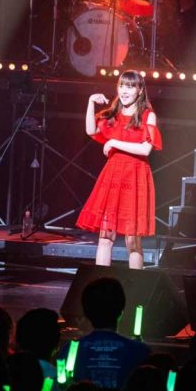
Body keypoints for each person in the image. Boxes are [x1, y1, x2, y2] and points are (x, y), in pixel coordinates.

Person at [76, 70, 161, 269]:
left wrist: (114, 142)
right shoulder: (113, 115)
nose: (124, 91)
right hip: (113, 176)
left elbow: (145, 149)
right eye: (121, 86)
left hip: (135, 176)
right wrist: (90, 102)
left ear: (140, 90)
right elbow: (91, 130)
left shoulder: (148, 116)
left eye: (130, 87)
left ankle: (135, 284)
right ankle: (101, 281)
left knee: (133, 241)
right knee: (105, 237)